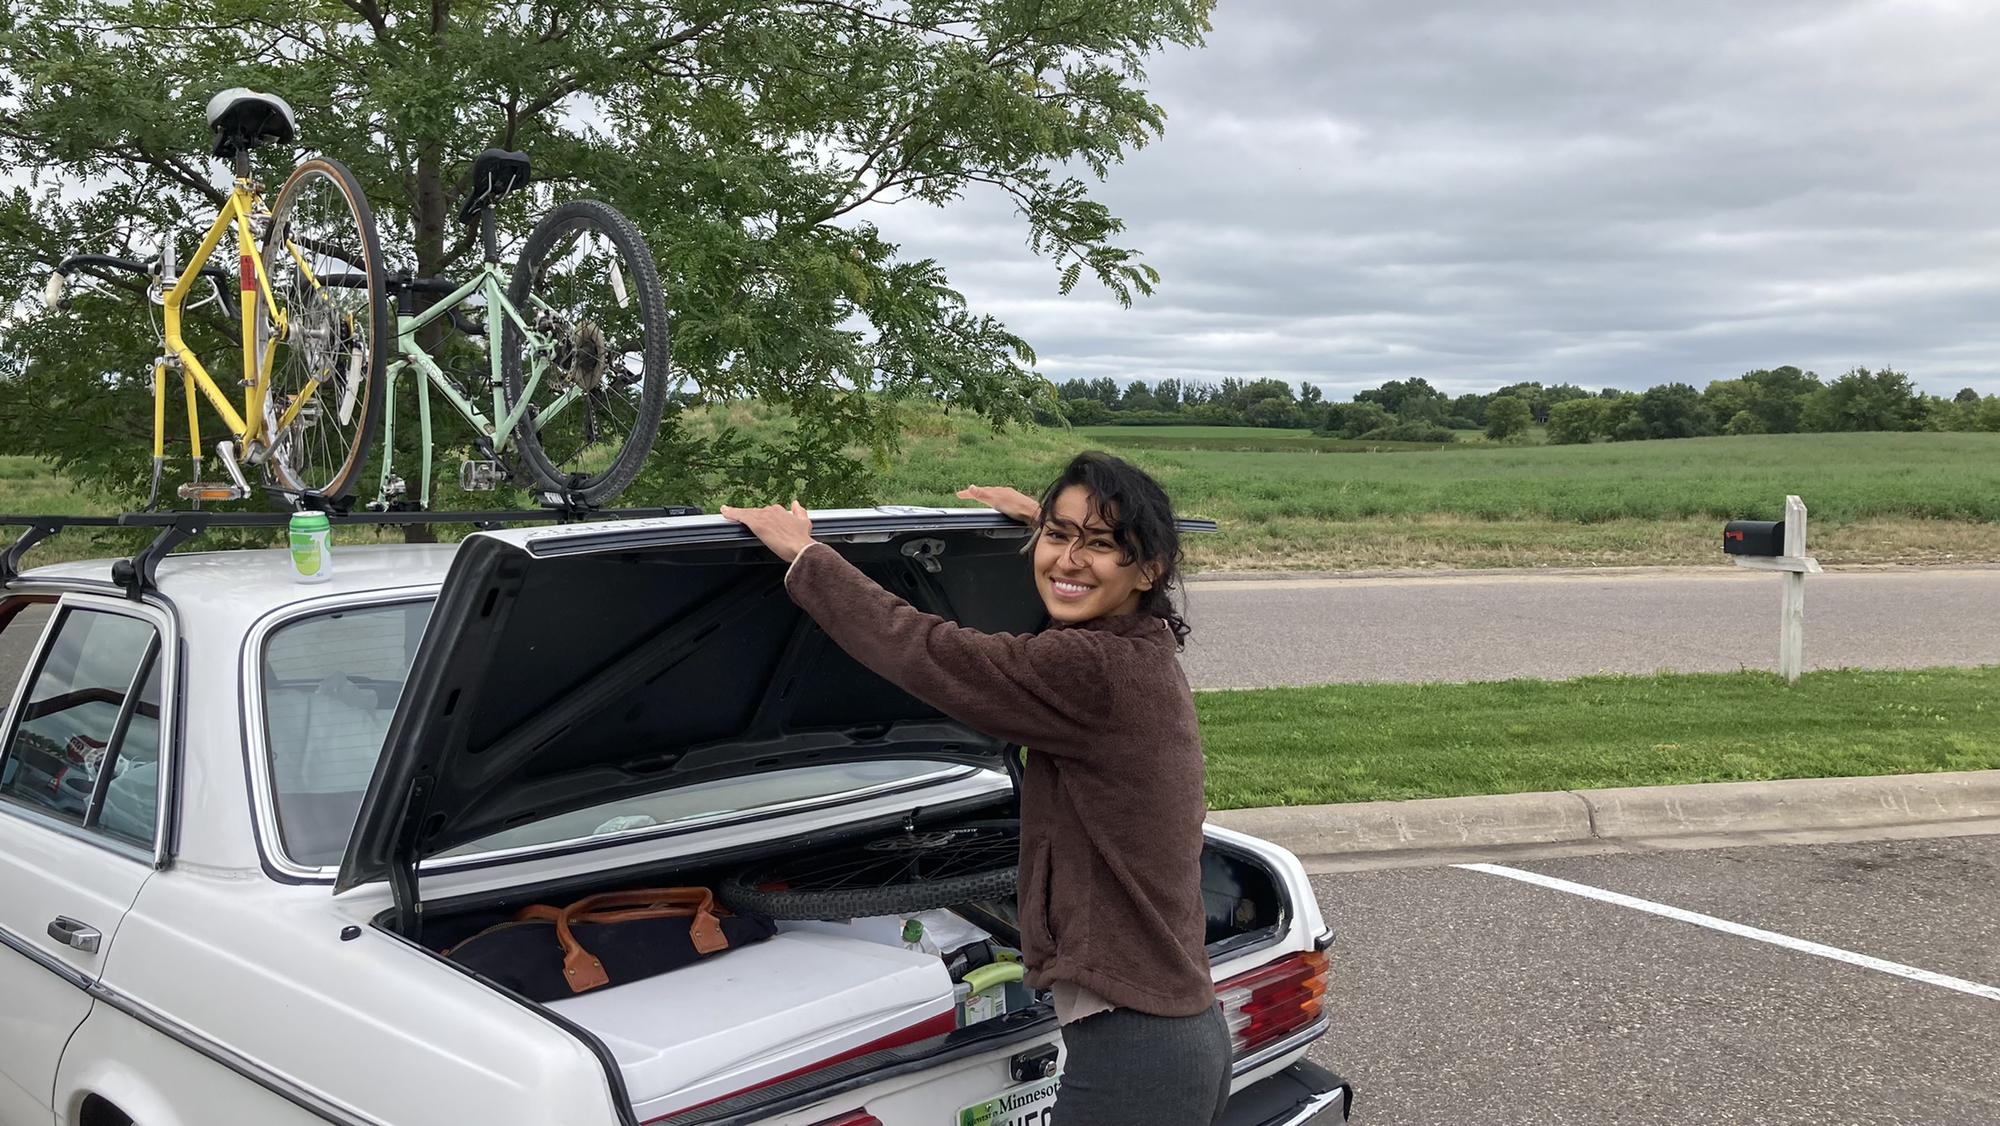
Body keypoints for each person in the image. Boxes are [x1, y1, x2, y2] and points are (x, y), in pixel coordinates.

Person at [721, 451, 1229, 1126]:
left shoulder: (1090, 669)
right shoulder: (1142, 642)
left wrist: (807, 557)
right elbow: (1085, 567)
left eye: (1101, 544)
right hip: (1175, 1033)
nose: (1069, 559)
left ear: (1150, 568)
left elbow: (928, 650)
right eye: (1057, 535)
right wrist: (1050, 525)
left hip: (1137, 1053)